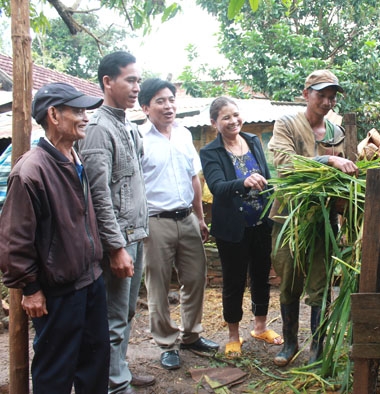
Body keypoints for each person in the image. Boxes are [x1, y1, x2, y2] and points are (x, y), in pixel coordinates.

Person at [0, 82, 108, 393]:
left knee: (95, 364)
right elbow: (13, 241)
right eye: (78, 111)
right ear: (53, 115)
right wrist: (30, 288)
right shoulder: (30, 171)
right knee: (55, 372)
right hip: (58, 292)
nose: (85, 117)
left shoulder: (75, 158)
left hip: (91, 281)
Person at [268, 70, 358, 367]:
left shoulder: (337, 133)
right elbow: (284, 162)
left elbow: (345, 178)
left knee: (321, 285)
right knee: (290, 281)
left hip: (323, 221)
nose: (328, 101)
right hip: (289, 219)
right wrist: (328, 160)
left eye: (332, 97)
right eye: (321, 95)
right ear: (306, 94)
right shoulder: (287, 123)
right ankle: (290, 342)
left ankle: (317, 347)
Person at [77, 51, 154, 394]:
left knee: (127, 315)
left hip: (135, 235)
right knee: (112, 320)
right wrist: (116, 247)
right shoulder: (97, 129)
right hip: (119, 241)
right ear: (108, 82)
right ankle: (113, 385)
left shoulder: (128, 125)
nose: (137, 87)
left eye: (138, 80)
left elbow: (133, 185)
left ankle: (119, 370)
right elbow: (98, 196)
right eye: (130, 80)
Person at [137, 78, 219, 370]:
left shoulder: (184, 135)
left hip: (186, 218)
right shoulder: (138, 139)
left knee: (195, 277)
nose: (168, 106)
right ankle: (166, 342)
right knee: (157, 284)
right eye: (160, 101)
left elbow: (193, 178)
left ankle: (191, 335)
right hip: (155, 221)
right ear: (146, 107)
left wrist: (199, 216)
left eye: (171, 99)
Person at [201, 97, 283, 357]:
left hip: (260, 223)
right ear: (214, 122)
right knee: (234, 282)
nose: (233, 121)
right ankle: (233, 336)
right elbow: (217, 187)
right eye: (225, 117)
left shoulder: (253, 141)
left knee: (261, 277)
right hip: (233, 230)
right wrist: (244, 182)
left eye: (235, 115)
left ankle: (260, 327)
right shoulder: (210, 152)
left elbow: (267, 177)